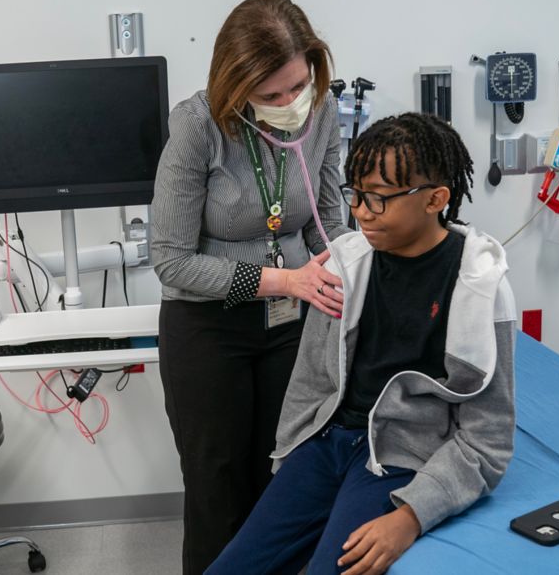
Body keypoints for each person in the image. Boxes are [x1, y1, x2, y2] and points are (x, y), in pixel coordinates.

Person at [207, 113, 517, 575]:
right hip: (326, 442)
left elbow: (487, 440)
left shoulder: (480, 289)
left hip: (399, 455)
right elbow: (311, 382)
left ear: (436, 198)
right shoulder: (343, 266)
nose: (362, 211)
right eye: (356, 194)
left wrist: (409, 516)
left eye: (379, 198)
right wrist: (294, 457)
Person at [150, 0, 351, 574]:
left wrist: (350, 264)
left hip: (292, 326)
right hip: (208, 330)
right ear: (235, 87)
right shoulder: (196, 128)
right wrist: (285, 279)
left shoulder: (322, 113)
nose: (290, 104)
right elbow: (171, 261)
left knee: (285, 483)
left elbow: (325, 218)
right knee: (218, 491)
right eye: (270, 96)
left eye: (298, 87)